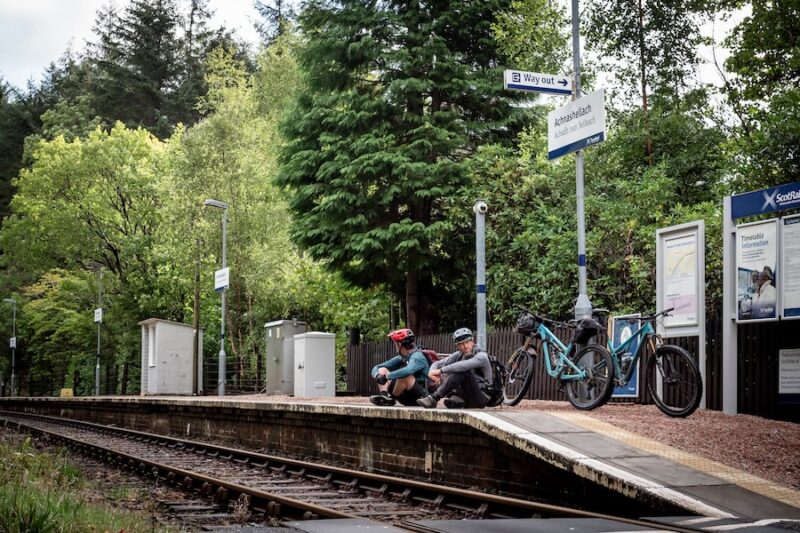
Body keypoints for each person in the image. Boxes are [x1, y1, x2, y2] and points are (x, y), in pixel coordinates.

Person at [417, 327, 492, 409]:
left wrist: (440, 371)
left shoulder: (482, 356)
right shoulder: (459, 354)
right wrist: (431, 372)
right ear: (457, 346)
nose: (465, 346)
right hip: (467, 395)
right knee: (446, 373)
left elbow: (463, 366)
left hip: (481, 398)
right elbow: (437, 363)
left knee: (460, 370)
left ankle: (434, 398)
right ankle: (457, 399)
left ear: (472, 341)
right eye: (461, 344)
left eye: (467, 342)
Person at [369, 328, 430, 406]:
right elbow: (376, 367)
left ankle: (391, 399)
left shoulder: (417, 356)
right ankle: (384, 396)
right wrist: (377, 376)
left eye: (396, 344)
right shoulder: (402, 357)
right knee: (382, 370)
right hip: (405, 396)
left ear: (401, 344)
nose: (395, 346)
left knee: (404, 375)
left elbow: (408, 370)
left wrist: (388, 376)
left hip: (420, 398)